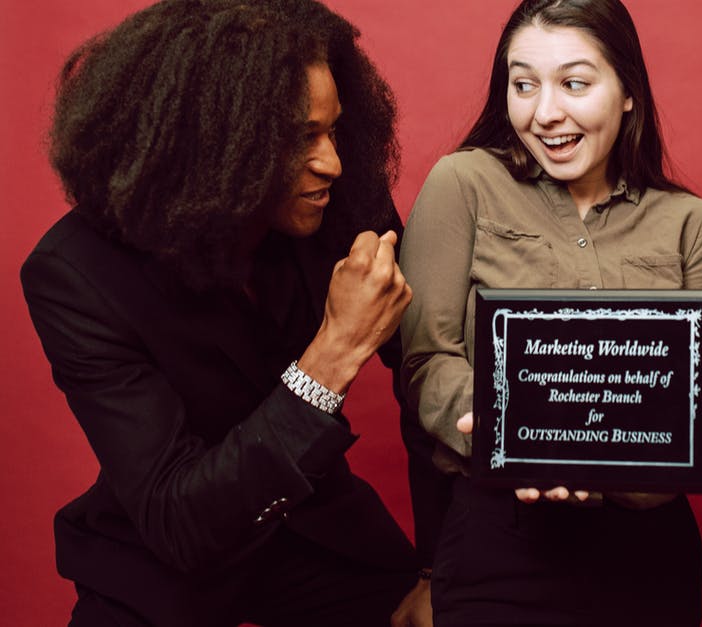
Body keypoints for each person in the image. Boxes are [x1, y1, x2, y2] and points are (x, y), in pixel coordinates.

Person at [21, 1, 424, 624]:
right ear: (213, 147)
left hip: (323, 533)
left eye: (334, 130)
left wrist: (442, 570)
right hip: (164, 563)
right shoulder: (75, 276)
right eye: (299, 139)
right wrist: (334, 352)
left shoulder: (340, 198)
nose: (333, 163)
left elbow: (436, 376)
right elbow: (177, 520)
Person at [396, 0, 702, 624]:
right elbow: (426, 361)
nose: (545, 112)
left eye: (575, 83)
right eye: (523, 84)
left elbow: (684, 433)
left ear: (629, 92)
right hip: (498, 541)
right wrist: (528, 439)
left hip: (648, 552)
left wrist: (695, 384)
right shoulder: (463, 184)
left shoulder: (688, 223)